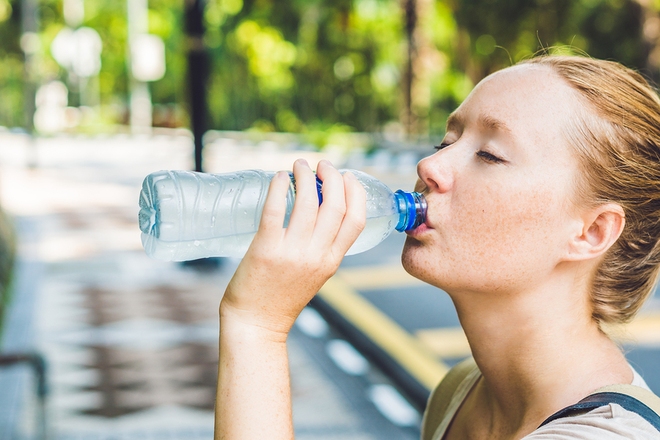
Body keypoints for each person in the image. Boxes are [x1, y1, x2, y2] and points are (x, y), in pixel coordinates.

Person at [214, 54, 660, 439]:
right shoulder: (463, 390)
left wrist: (257, 325)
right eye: (446, 141)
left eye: (489, 155)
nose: (430, 164)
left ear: (592, 231)